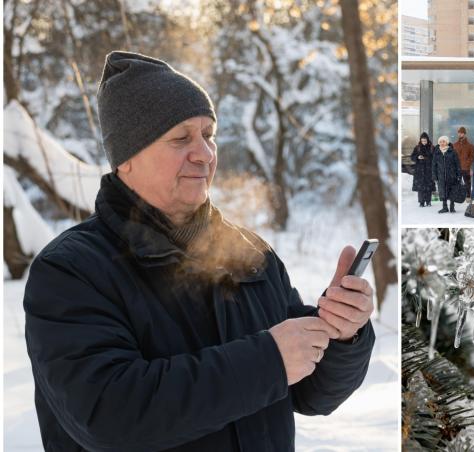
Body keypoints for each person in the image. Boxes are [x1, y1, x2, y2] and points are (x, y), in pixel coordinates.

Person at [23, 51, 375, 452]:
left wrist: (343, 334)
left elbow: (312, 393)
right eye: (180, 138)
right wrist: (267, 362)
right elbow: (110, 416)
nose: (205, 154)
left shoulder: (250, 255)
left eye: (208, 134)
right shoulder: (71, 271)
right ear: (126, 160)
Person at [432, 135, 462, 213]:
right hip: (441, 176)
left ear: (447, 142)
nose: (442, 143)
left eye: (444, 141)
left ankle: (452, 207)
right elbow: (434, 165)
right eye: (441, 142)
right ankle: (444, 207)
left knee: (452, 191)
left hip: (452, 175)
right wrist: (434, 176)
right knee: (443, 191)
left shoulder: (452, 151)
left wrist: (459, 175)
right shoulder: (437, 152)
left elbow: (457, 164)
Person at [411, 132, 435, 207]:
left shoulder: (432, 147)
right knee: (420, 187)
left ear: (427, 140)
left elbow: (434, 158)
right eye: (422, 141)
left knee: (429, 186)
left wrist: (428, 159)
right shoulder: (417, 147)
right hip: (419, 170)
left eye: (425, 140)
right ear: (420, 140)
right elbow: (412, 157)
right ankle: (421, 202)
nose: (424, 142)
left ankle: (428, 201)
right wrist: (418, 157)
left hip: (429, 170)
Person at [453, 126, 474, 198]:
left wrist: (468, 164)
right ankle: (457, 196)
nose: (460, 134)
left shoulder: (470, 146)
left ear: (464, 134)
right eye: (459, 133)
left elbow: (472, 157)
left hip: (466, 167)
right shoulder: (454, 145)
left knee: (467, 183)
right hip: (456, 168)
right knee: (456, 183)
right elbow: (452, 156)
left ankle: (468, 196)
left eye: (462, 133)